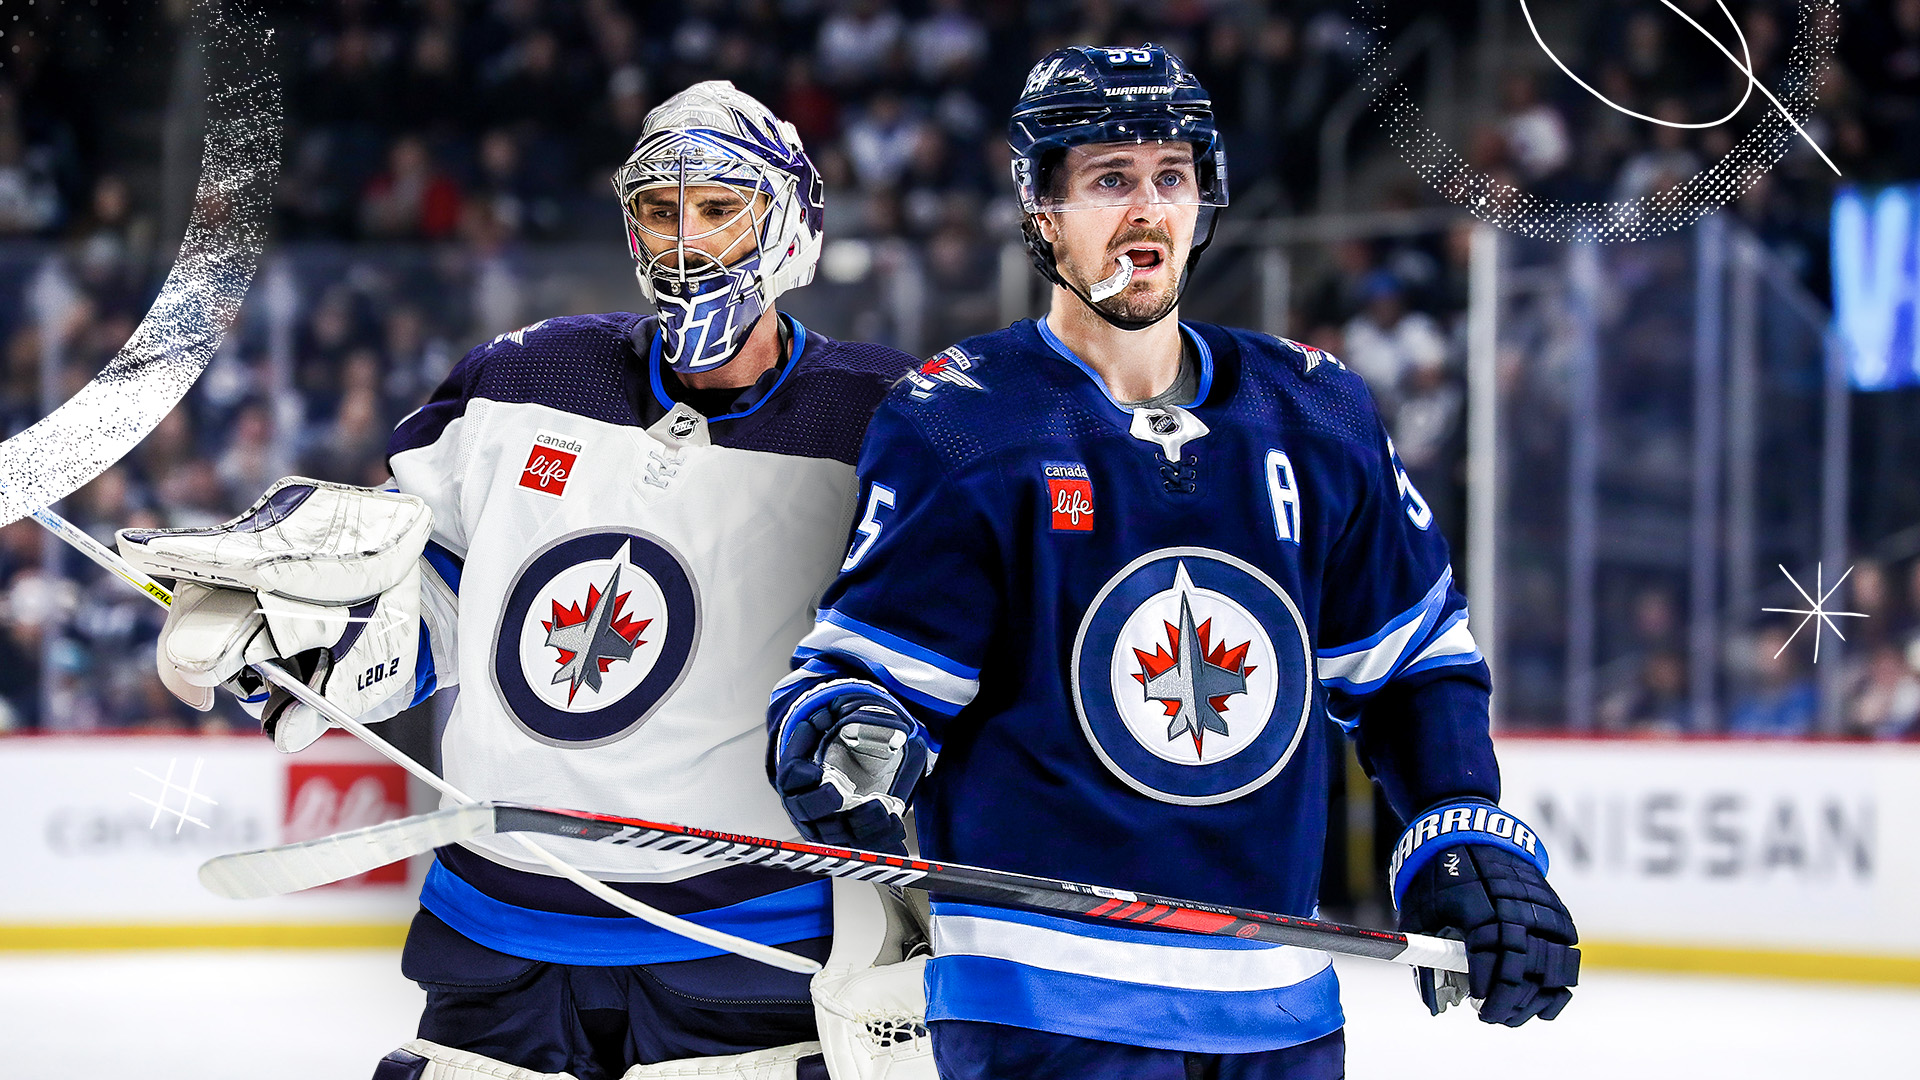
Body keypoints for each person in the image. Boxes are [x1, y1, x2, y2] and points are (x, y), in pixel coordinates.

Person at [768, 44, 1580, 1079]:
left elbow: (1412, 661)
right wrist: (851, 735)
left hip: (1276, 1011)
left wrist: (1461, 828)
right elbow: (869, 679)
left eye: (1172, 178)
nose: (1147, 211)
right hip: (1039, 1009)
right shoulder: (963, 421)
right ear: (1043, 208)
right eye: (1110, 180)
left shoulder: (1316, 411)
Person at [117, 82, 919, 1080]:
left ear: (791, 220)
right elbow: (441, 604)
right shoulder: (523, 379)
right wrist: (311, 651)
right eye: (660, 211)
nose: (685, 240)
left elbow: (925, 643)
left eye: (719, 208)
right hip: (498, 928)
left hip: (749, 943)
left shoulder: (884, 415)